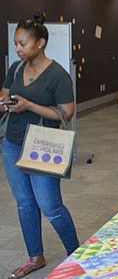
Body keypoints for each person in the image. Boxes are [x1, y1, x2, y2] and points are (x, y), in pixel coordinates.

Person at [1, 14, 79, 279]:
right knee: (25, 204)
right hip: (12, 144)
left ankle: (77, 255)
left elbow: (66, 113)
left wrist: (29, 105)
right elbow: (4, 93)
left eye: (22, 44)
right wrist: (4, 103)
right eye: (16, 44)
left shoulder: (58, 75)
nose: (17, 49)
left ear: (41, 43)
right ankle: (35, 257)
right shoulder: (15, 68)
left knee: (51, 207)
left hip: (43, 146)